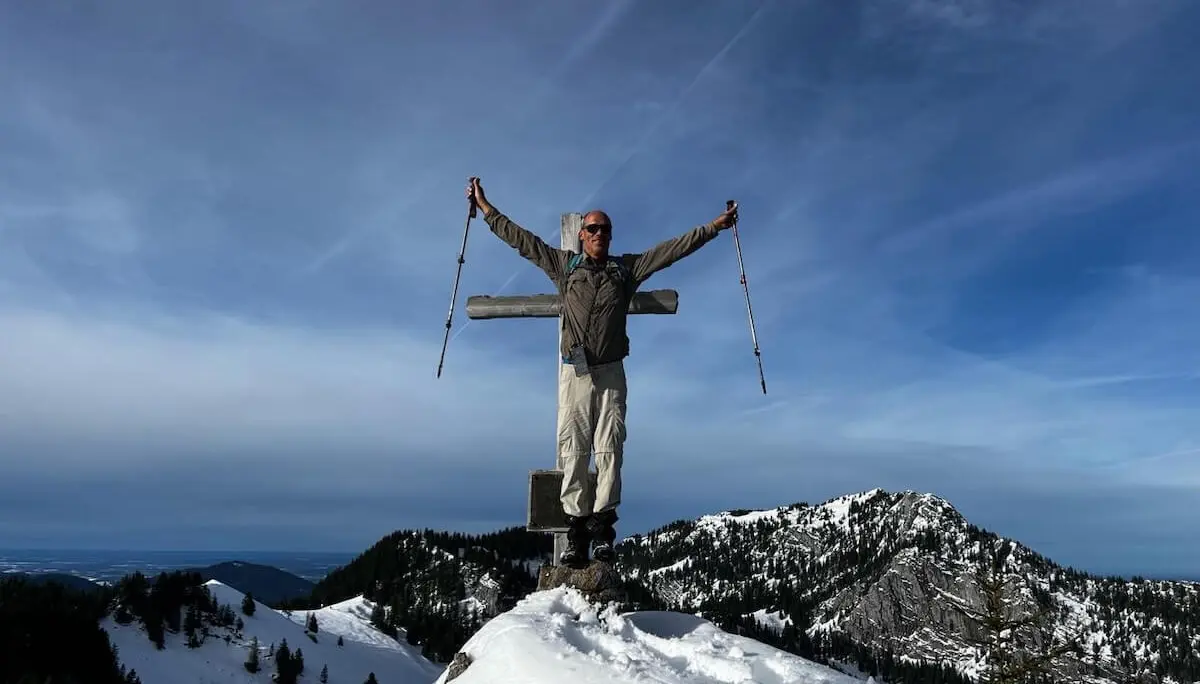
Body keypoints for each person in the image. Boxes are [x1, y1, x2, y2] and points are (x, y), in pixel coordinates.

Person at [466, 177, 738, 565]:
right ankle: (576, 534)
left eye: (605, 229)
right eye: (593, 228)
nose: (599, 234)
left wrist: (713, 227)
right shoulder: (565, 267)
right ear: (581, 236)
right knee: (573, 450)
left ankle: (603, 533)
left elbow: (672, 250)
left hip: (611, 373)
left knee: (610, 450)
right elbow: (522, 241)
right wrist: (487, 209)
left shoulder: (625, 270)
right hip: (575, 374)